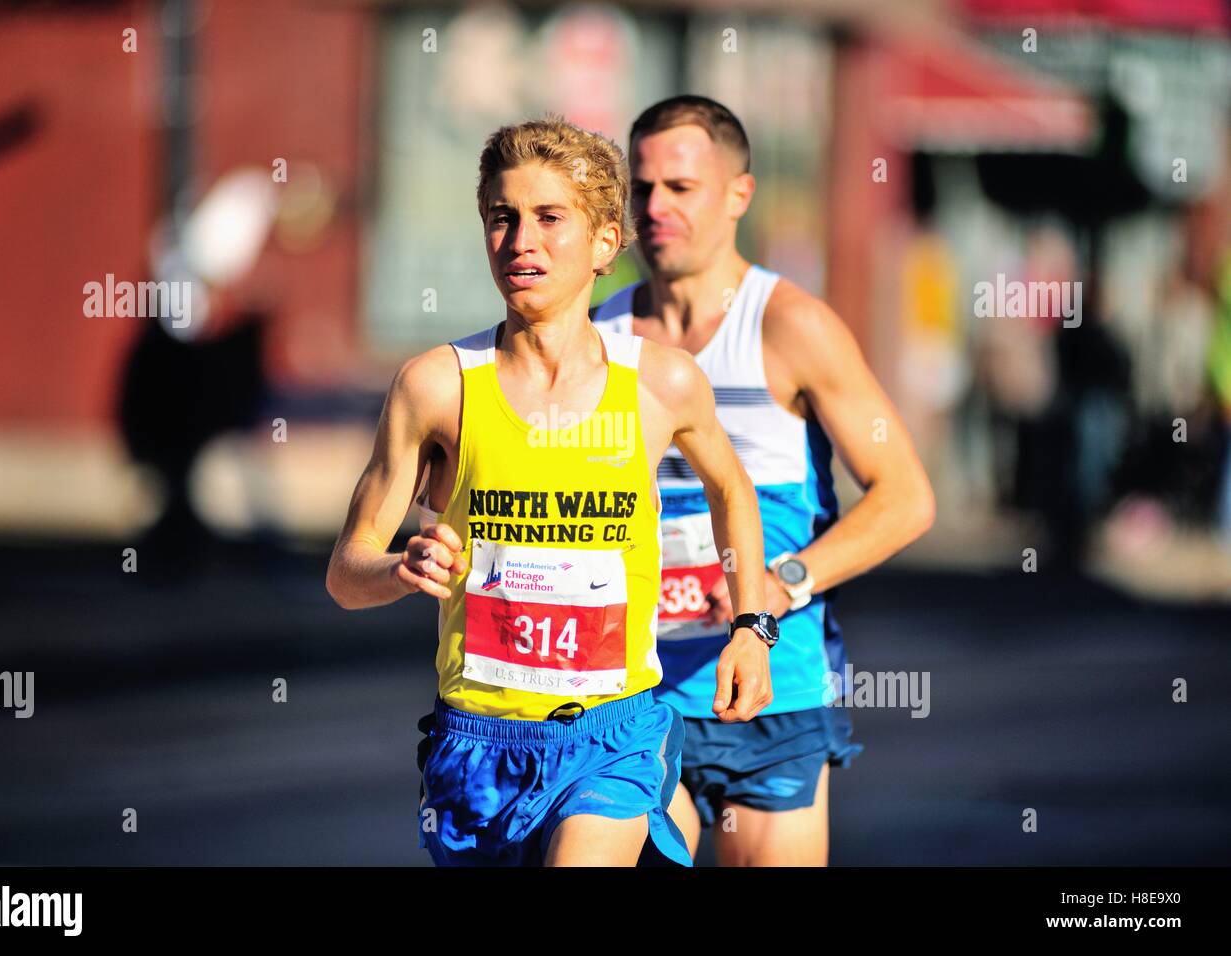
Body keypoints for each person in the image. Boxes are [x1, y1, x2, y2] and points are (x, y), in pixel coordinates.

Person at [326, 116, 776, 867]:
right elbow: (346, 573)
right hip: (477, 743)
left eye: (549, 218)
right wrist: (399, 568)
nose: (520, 242)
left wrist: (752, 626)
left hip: (612, 735)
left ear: (605, 242)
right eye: (502, 218)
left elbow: (732, 489)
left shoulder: (661, 383)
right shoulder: (436, 387)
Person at [592, 95, 935, 866]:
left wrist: (781, 583)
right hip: (629, 698)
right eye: (642, 188)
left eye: (681, 187)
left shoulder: (789, 325)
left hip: (772, 688)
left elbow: (905, 496)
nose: (655, 207)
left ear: (738, 195)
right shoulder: (599, 338)